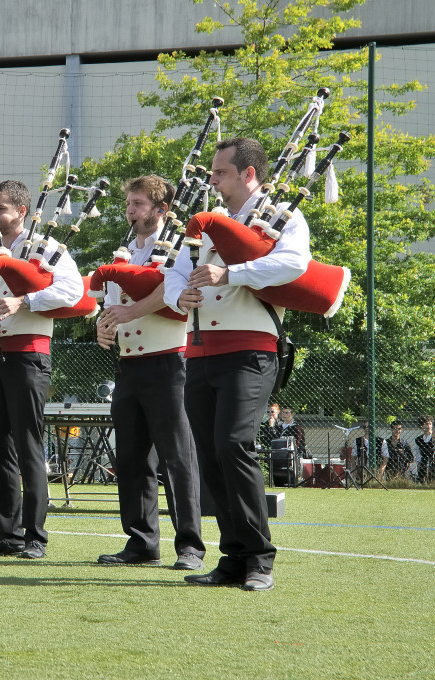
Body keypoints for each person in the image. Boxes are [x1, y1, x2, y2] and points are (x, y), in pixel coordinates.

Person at [164, 137, 313, 591]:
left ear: (249, 174)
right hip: (199, 350)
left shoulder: (281, 216)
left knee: (233, 443)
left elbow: (294, 264)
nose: (212, 179)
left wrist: (231, 273)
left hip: (250, 349)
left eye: (221, 172)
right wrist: (178, 295)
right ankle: (233, 557)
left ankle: (259, 559)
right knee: (209, 452)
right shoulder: (209, 223)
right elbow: (172, 273)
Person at [0, 179, 83, 560]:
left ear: (22, 212)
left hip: (29, 356)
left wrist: (23, 302)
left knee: (28, 445)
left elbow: (73, 291)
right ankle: (7, 535)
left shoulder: (46, 249)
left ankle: (35, 538)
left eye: (0, 209)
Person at [94, 175, 205, 570]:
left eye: (139, 203)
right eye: (129, 202)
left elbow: (171, 292)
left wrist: (129, 312)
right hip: (129, 364)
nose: (130, 209)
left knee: (178, 457)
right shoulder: (124, 251)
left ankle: (190, 545)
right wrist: (103, 325)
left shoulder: (178, 247)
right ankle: (141, 542)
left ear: (162, 210)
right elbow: (111, 303)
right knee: (132, 458)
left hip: (167, 361)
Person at [412, 414, 434, 483]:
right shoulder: (419, 439)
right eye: (426, 424)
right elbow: (418, 454)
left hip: (434, 462)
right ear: (421, 426)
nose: (429, 426)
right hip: (423, 463)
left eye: (430, 424)